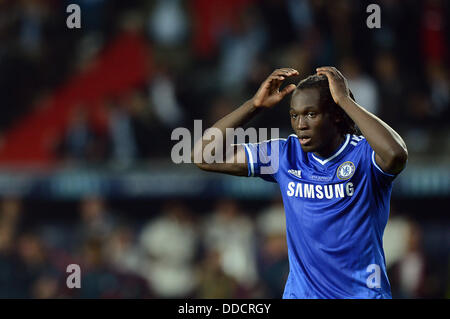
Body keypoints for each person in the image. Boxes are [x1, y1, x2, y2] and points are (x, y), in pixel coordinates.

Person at [192, 67, 408, 299]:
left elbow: (396, 154)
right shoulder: (285, 155)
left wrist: (344, 100)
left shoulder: (364, 155)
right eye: (294, 115)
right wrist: (253, 106)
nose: (300, 124)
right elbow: (203, 156)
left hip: (361, 294)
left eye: (311, 114)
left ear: (335, 114)